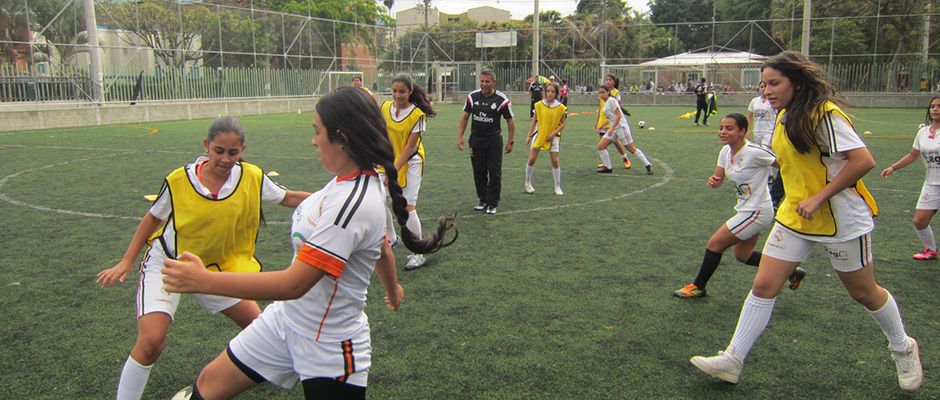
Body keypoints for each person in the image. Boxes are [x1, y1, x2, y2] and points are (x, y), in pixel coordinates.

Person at [162, 87, 457, 400]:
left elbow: (294, 284)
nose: (313, 140)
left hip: (328, 344)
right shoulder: (346, 181)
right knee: (208, 384)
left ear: (341, 138)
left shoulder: (353, 203)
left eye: (318, 132)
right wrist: (393, 289)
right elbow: (382, 247)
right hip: (286, 321)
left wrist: (204, 280)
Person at [689, 51, 923, 392]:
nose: (766, 90)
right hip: (794, 216)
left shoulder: (824, 115)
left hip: (842, 219)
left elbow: (863, 160)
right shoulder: (783, 116)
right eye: (764, 84)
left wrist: (819, 196)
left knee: (863, 292)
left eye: (774, 83)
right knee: (763, 285)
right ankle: (732, 359)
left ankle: (903, 346)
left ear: (796, 83)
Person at [96, 116, 312, 400]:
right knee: (151, 342)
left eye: (233, 152)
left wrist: (337, 199)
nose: (225, 158)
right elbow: (152, 219)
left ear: (243, 150)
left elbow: (290, 198)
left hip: (216, 271)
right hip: (171, 266)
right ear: (206, 146)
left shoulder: (252, 177)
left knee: (262, 332)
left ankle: (210, 387)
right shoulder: (179, 180)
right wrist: (127, 260)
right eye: (218, 150)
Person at [673, 113, 804, 298]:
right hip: (745, 209)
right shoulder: (726, 151)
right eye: (721, 128)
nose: (723, 132)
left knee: (715, 244)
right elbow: (718, 178)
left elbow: (786, 164)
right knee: (743, 255)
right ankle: (793, 272)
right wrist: (714, 181)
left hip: (757, 211)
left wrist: (798, 191)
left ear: (742, 131)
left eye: (729, 128)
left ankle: (698, 287)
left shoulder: (754, 152)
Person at [381, 74, 435, 270]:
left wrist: (392, 172)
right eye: (394, 91)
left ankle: (418, 252)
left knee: (408, 207)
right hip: (388, 161)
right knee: (379, 201)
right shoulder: (385, 108)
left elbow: (409, 148)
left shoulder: (417, 115)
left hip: (411, 163)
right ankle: (392, 238)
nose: (397, 95)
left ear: (410, 92)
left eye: (402, 91)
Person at [880, 95, 940, 261]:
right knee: (919, 221)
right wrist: (893, 167)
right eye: (933, 106)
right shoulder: (923, 132)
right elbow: (913, 155)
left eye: (939, 106)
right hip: (932, 184)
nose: (935, 109)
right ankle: (931, 250)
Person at [457, 70, 516, 215]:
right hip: (476, 140)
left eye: (487, 82)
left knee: (494, 172)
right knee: (479, 171)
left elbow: (510, 121)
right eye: (481, 81)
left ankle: (492, 203)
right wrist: (460, 137)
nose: (483, 84)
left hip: (493, 140)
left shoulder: (501, 99)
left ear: (493, 83)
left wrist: (510, 141)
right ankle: (483, 200)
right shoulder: (473, 97)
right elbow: (465, 117)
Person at [595, 84, 653, 175]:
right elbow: (611, 118)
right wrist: (602, 126)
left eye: (603, 92)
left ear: (608, 92)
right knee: (600, 146)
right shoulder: (606, 103)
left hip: (621, 127)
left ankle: (648, 165)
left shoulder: (611, 100)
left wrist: (611, 128)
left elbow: (619, 116)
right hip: (614, 128)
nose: (601, 94)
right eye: (600, 93)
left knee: (631, 148)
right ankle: (608, 167)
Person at [524, 81, 567, 196]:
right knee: (532, 159)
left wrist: (553, 134)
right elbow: (534, 122)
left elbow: (563, 124)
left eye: (553, 92)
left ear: (557, 93)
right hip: (539, 134)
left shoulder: (561, 107)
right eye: (548, 91)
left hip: (553, 137)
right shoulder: (538, 105)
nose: (550, 94)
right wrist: (529, 135)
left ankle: (557, 186)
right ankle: (527, 183)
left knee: (555, 160)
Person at [594, 74, 634, 170]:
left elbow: (619, 102)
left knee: (616, 142)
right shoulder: (601, 92)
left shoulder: (615, 92)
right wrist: (597, 121)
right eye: (606, 80)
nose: (608, 81)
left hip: (612, 121)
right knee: (602, 143)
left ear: (614, 82)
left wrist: (611, 97)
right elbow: (600, 108)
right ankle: (606, 163)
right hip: (603, 120)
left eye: (610, 80)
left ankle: (625, 158)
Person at [747, 82, 776, 148]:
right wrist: (747, 129)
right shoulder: (754, 101)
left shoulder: (773, 101)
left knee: (766, 150)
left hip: (769, 131)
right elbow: (750, 116)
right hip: (757, 132)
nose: (763, 89)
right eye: (761, 87)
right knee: (758, 151)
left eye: (765, 87)